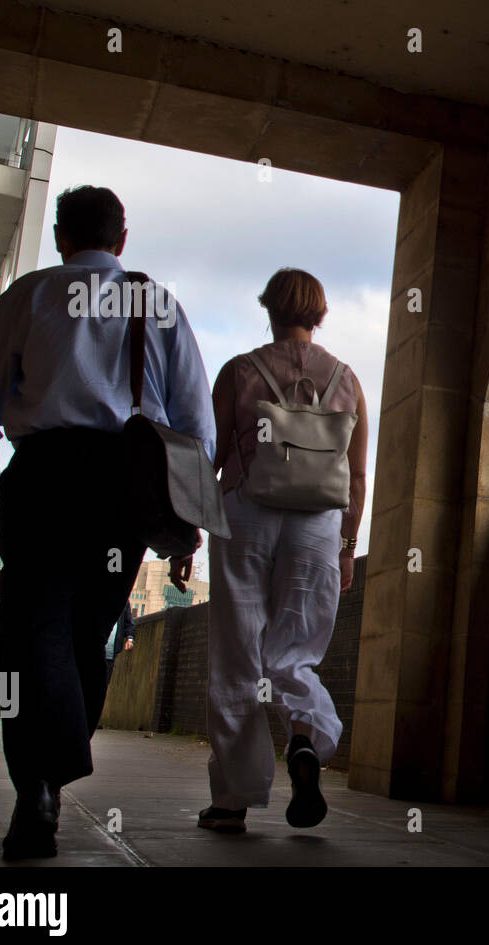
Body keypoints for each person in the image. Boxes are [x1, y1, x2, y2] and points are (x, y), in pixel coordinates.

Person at [0, 185, 215, 859]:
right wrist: (188, 520)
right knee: (89, 633)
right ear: (121, 241)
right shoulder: (159, 306)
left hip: (40, 479)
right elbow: (196, 428)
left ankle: (35, 788)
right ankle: (52, 776)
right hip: (119, 493)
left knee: (31, 632)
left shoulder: (30, 295)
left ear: (62, 236)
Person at [199, 267, 368, 833]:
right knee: (294, 653)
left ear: (268, 309)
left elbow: (212, 456)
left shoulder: (240, 371)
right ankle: (304, 743)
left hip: (246, 513)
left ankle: (232, 801)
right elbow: (358, 476)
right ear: (318, 315)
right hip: (318, 526)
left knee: (238, 658)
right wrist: (347, 547)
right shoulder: (347, 380)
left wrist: (188, 532)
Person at [104, 601, 136, 685]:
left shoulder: (124, 602)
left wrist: (130, 639)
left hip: (109, 654)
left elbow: (129, 623)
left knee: (103, 684)